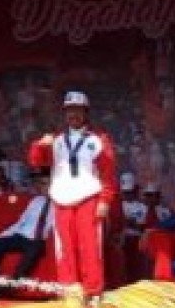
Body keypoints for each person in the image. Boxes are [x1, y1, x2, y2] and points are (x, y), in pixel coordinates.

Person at [27, 90, 117, 297]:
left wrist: (105, 200)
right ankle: (69, 290)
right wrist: (40, 145)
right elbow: (36, 161)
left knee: (89, 246)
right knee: (64, 247)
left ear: (85, 113)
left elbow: (109, 173)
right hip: (61, 199)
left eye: (77, 110)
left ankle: (93, 290)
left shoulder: (98, 140)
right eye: (69, 111)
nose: (73, 115)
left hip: (89, 198)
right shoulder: (56, 141)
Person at [0, 172, 54, 297]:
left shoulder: (61, 205)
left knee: (34, 249)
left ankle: (11, 287)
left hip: (39, 240)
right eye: (40, 183)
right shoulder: (36, 201)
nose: (40, 187)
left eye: (44, 183)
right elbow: (20, 223)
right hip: (20, 236)